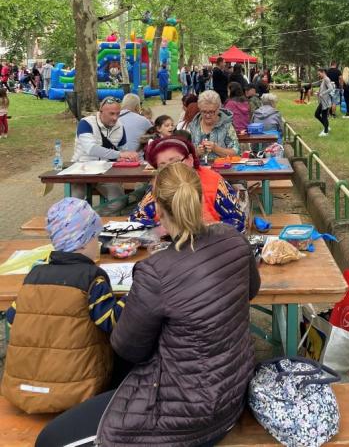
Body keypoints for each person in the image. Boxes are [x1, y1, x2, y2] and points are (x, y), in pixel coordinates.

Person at [37, 164, 260, 447]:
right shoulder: (234, 239)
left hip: (188, 416)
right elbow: (251, 290)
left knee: (49, 440)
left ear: (158, 209)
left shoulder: (156, 271)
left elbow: (128, 348)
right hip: (233, 392)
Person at [3, 198, 125, 415]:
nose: (97, 243)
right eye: (96, 237)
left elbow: (13, 320)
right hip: (80, 391)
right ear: (84, 241)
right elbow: (110, 322)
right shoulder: (92, 278)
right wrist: (132, 296)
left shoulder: (34, 276)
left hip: (22, 388)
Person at [132, 134, 246, 231]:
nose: (170, 170)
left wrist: (202, 230)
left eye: (175, 162)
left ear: (190, 160)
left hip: (208, 244)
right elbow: (136, 219)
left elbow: (237, 220)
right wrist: (164, 228)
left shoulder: (213, 182)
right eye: (162, 166)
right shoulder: (159, 184)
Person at [72, 96, 139, 210]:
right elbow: (91, 149)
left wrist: (126, 157)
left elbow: (123, 150)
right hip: (81, 170)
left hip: (105, 173)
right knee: (75, 203)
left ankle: (97, 218)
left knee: (119, 202)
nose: (115, 118)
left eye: (118, 114)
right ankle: (78, 219)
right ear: (101, 111)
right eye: (111, 114)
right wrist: (120, 155)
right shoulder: (86, 123)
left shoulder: (120, 127)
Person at [189, 89, 240, 160]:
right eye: (204, 111)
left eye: (211, 112)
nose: (207, 115)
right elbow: (185, 154)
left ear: (218, 109)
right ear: (199, 109)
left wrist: (216, 149)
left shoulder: (226, 126)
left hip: (222, 167)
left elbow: (236, 152)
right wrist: (196, 152)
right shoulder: (193, 126)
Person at [315, 67, 332, 137]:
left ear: (323, 72)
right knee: (317, 114)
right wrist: (319, 93)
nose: (319, 75)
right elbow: (324, 89)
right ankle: (326, 127)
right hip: (322, 101)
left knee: (324, 116)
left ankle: (326, 132)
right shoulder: (324, 79)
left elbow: (331, 88)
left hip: (325, 101)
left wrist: (322, 93)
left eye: (319, 73)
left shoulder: (326, 79)